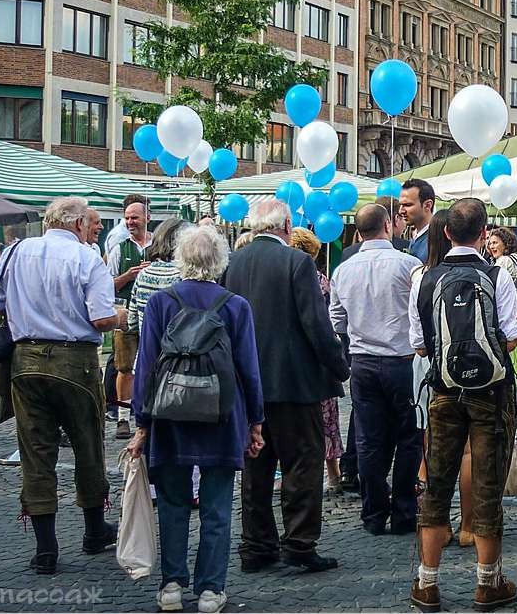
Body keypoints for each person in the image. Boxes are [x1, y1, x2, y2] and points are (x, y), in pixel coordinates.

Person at [127, 226, 265, 614]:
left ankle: (171, 586)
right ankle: (209, 590)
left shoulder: (159, 304)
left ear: (179, 259)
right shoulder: (235, 306)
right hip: (222, 418)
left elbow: (146, 368)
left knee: (171, 504)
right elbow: (249, 369)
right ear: (220, 261)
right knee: (218, 507)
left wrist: (141, 423)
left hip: (169, 417)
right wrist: (255, 421)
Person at [0, 196, 122, 575]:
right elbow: (101, 318)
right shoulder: (86, 257)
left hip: (25, 361)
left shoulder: (15, 252)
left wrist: (29, 309)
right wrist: (123, 316)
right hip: (74, 362)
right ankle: (94, 530)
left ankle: (46, 548)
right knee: (87, 444)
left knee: (35, 451)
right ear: (77, 225)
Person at [408, 198, 517, 613]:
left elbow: (418, 345)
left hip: (442, 392)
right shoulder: (497, 276)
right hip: (491, 394)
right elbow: (511, 336)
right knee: (489, 484)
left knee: (436, 485)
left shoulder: (424, 277)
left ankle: (427, 583)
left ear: (446, 233)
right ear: (483, 232)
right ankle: (487, 583)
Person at [223, 199, 350, 573]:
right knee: (302, 465)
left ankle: (256, 545)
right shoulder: (297, 262)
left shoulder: (234, 262)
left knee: (256, 468)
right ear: (286, 225)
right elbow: (316, 323)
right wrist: (339, 366)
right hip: (294, 384)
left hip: (249, 382)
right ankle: (298, 543)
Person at [330, 203, 423, 535]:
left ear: (358, 232)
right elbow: (420, 313)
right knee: (410, 438)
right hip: (403, 361)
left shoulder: (344, 270)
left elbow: (337, 320)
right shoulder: (409, 265)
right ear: (387, 225)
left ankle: (373, 513)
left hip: (364, 362)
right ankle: (403, 512)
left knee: (369, 440)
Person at [290, 227, 344, 495]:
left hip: (301, 359)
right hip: (321, 360)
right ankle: (334, 473)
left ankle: (299, 473)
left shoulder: (294, 277)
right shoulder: (323, 280)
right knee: (327, 419)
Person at [108, 194, 154, 441]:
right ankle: (123, 418)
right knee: (124, 366)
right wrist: (128, 275)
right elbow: (107, 285)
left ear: (148, 217)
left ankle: (147, 413)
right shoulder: (119, 248)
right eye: (126, 218)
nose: (129, 222)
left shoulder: (158, 245)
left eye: (134, 217)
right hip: (125, 314)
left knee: (151, 365)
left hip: (152, 315)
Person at [128, 219, 193, 334]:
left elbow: (132, 322)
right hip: (178, 349)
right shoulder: (185, 275)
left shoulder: (143, 274)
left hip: (147, 347)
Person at [341, 196, 411, 262]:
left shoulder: (348, 253)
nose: (405, 225)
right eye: (403, 218)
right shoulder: (408, 248)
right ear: (396, 219)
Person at [401, 178, 436, 262]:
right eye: (401, 205)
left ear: (427, 205)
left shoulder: (437, 240)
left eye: (408, 205)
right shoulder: (416, 236)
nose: (401, 211)